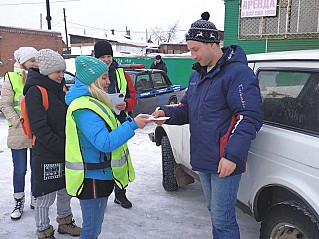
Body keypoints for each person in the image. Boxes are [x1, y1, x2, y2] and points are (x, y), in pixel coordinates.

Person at [152, 12, 264, 239]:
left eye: (195, 49)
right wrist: (165, 113)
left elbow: (250, 116)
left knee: (223, 218)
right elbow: (187, 109)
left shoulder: (237, 73)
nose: (192, 56)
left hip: (224, 158)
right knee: (214, 212)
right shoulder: (197, 76)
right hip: (203, 156)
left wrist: (232, 156)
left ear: (212, 44)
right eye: (190, 50)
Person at [64, 55, 151, 238]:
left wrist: (129, 121)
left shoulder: (92, 101)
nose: (108, 81)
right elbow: (104, 143)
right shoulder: (84, 107)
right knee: (91, 231)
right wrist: (133, 125)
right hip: (92, 179)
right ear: (92, 81)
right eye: (103, 78)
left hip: (99, 176)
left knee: (93, 228)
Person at [23, 49, 81, 239]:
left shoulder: (60, 88)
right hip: (46, 152)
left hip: (64, 150)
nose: (61, 75)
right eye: (58, 71)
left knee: (65, 189)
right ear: (46, 70)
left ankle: (65, 223)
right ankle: (44, 230)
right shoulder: (35, 91)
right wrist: (65, 147)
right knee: (45, 196)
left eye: (63, 71)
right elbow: (40, 129)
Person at [94, 40, 137, 208]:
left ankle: (120, 193)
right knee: (101, 161)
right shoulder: (90, 75)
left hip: (119, 121)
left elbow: (133, 96)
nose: (106, 59)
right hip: (99, 122)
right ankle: (100, 196)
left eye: (109, 56)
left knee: (119, 160)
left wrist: (127, 104)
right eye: (103, 56)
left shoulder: (121, 73)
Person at [0, 47, 38, 220]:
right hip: (18, 131)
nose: (35, 63)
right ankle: (18, 200)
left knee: (36, 168)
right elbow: (5, 104)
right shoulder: (11, 77)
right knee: (20, 170)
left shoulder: (39, 76)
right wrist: (17, 122)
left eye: (36, 60)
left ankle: (35, 198)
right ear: (23, 62)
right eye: (32, 60)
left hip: (37, 129)